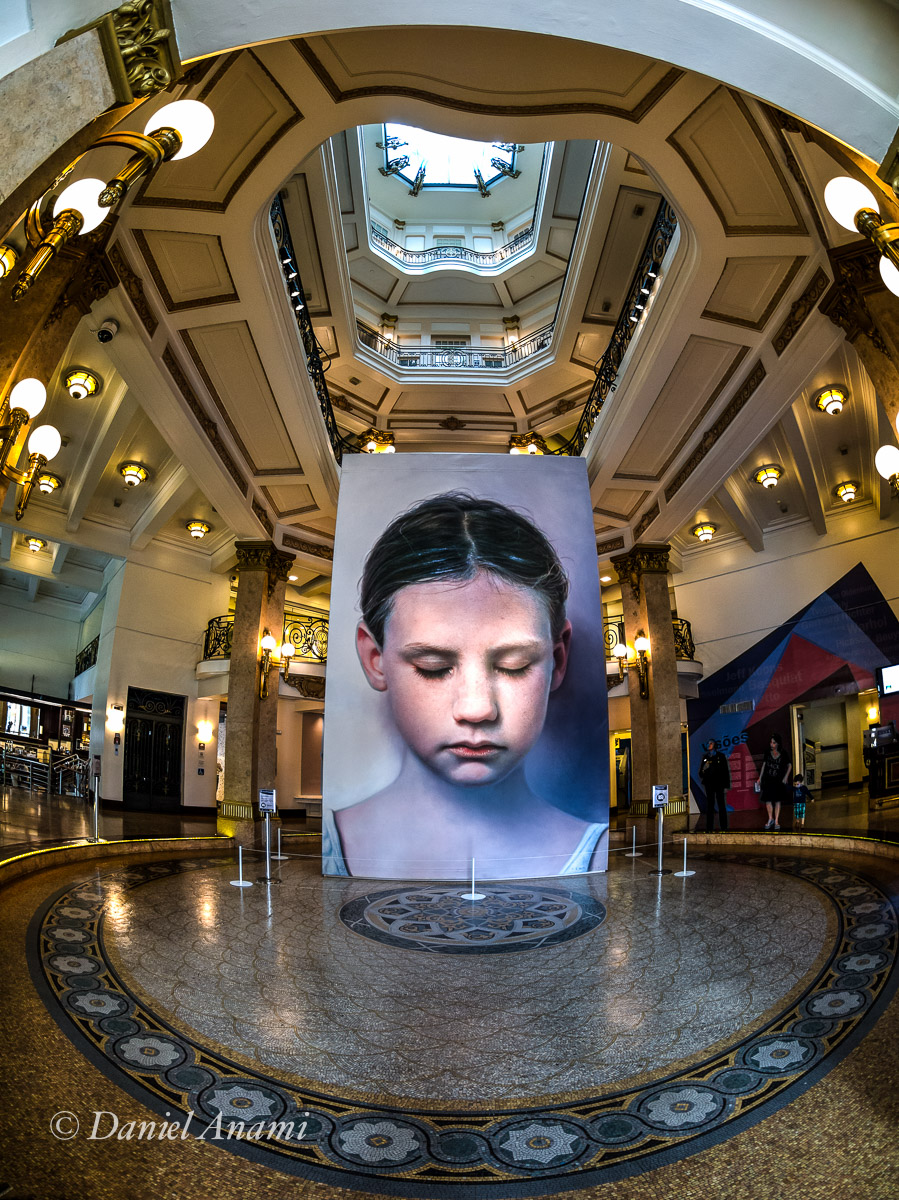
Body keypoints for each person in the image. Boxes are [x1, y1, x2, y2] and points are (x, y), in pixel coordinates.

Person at [322, 492, 607, 879]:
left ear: (557, 659)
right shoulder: (328, 844)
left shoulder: (601, 851)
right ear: (376, 659)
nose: (477, 709)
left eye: (514, 665)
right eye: (434, 667)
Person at [757, 733, 792, 831]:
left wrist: (786, 777)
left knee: (777, 800)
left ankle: (776, 821)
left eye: (774, 743)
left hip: (778, 780)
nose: (771, 744)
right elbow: (764, 765)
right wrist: (760, 778)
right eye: (771, 742)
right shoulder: (767, 752)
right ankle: (770, 818)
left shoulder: (783, 753)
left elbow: (789, 765)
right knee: (768, 800)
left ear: (777, 744)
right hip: (768, 779)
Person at [698, 738, 730, 832]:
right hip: (709, 785)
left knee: (721, 805)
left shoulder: (721, 756)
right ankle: (709, 827)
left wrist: (726, 785)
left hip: (719, 784)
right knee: (710, 806)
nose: (709, 745)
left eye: (711, 743)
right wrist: (704, 768)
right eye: (708, 744)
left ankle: (724, 826)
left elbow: (725, 772)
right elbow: (701, 773)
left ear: (715, 745)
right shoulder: (705, 757)